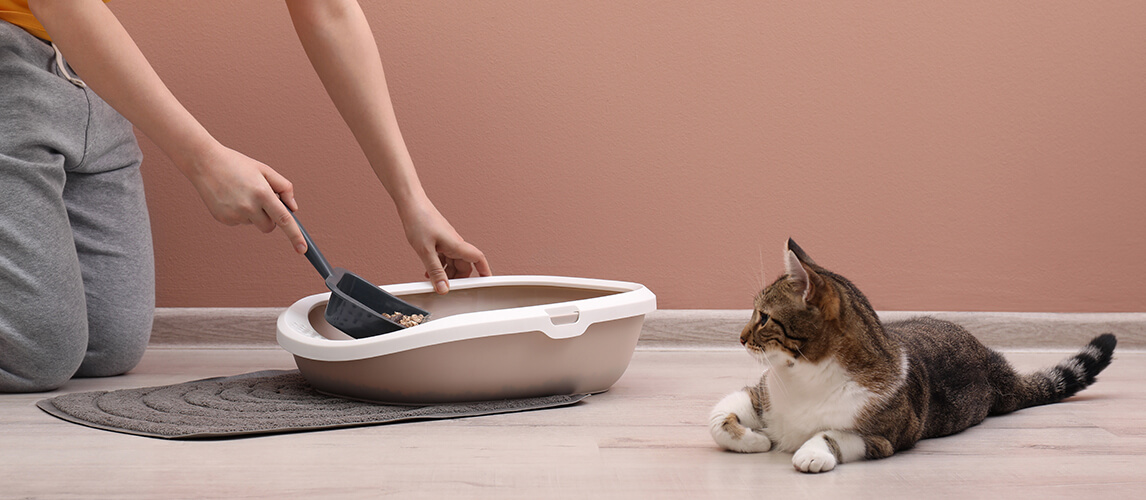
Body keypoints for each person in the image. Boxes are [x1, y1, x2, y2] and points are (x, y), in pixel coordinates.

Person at [0, 0, 491, 393]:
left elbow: (329, 10)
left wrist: (412, 201)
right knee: (37, 357)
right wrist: (202, 158)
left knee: (109, 350)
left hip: (83, 80)